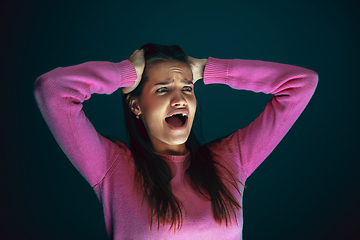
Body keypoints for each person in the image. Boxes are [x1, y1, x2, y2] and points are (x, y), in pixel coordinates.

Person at [33, 43, 318, 239]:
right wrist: (126, 73)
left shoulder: (230, 159)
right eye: (162, 90)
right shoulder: (112, 167)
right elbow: (53, 90)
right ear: (136, 106)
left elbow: (302, 83)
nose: (179, 99)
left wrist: (208, 69)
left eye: (187, 87)